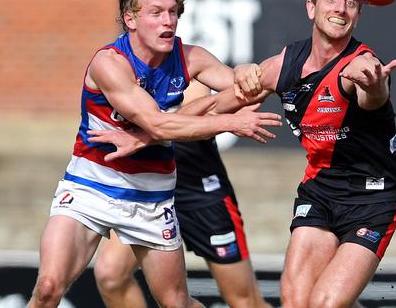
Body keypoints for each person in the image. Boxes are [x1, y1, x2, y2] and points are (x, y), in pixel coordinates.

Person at [88, 0, 396, 308]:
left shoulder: (363, 66)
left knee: (324, 304)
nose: (341, 9)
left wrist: (375, 86)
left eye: (352, 3)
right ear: (311, 8)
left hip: (373, 198)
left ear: (358, 15)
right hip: (322, 190)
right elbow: (213, 104)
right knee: (295, 301)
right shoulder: (283, 65)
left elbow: (371, 97)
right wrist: (146, 136)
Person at [26, 0, 281, 308]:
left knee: (176, 303)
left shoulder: (191, 57)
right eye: (156, 13)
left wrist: (247, 72)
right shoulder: (110, 63)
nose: (168, 21)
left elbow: (241, 89)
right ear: (130, 19)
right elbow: (160, 126)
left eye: (173, 12)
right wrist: (230, 123)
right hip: (91, 185)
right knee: (47, 287)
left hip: (151, 196)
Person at [93, 80, 272, 308]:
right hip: (152, 192)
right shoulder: (122, 67)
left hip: (200, 193)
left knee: (244, 301)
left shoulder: (189, 66)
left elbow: (192, 120)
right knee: (110, 275)